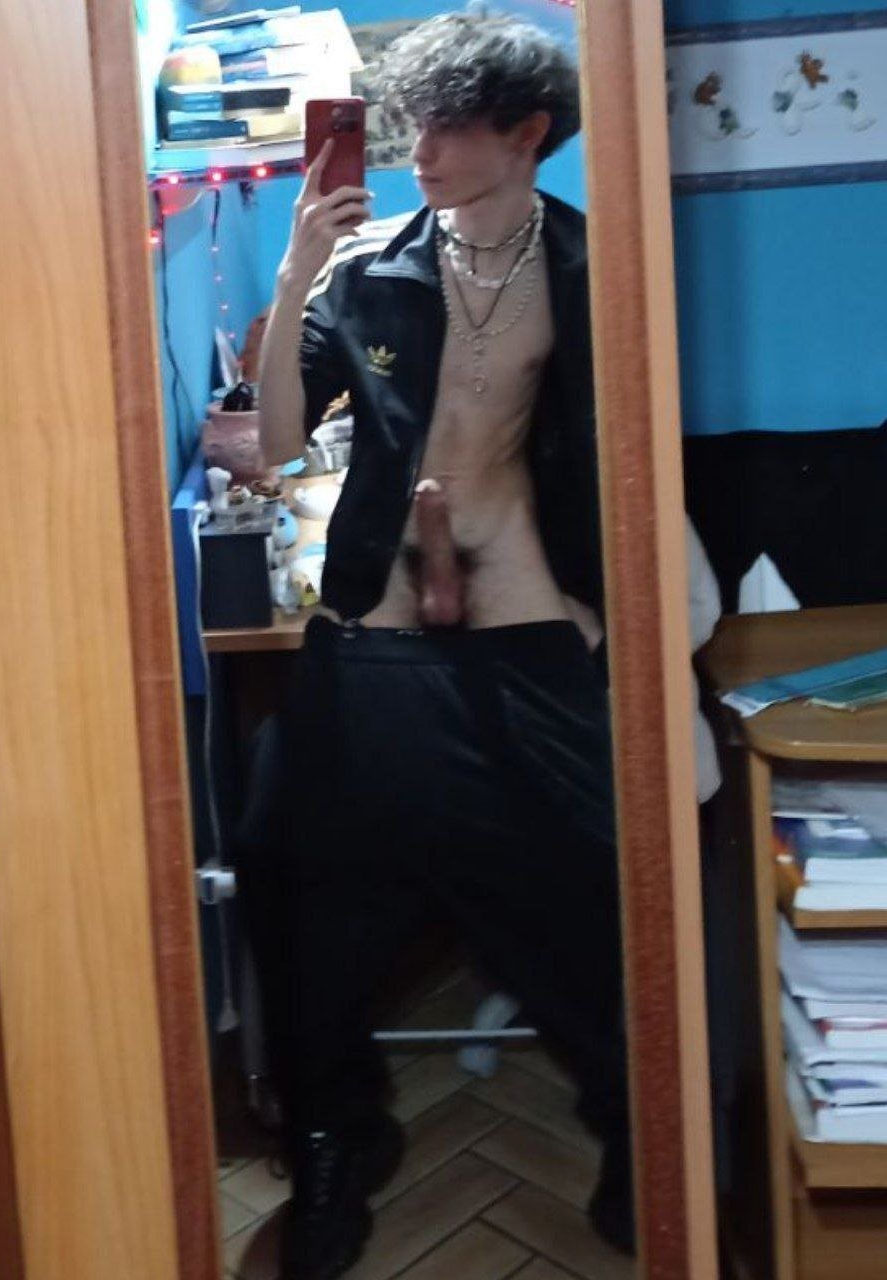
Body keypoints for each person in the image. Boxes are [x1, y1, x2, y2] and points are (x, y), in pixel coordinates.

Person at [256, 12, 631, 1279]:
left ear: (529, 134)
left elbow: (632, 445)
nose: (418, 150)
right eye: (414, 123)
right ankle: (331, 1139)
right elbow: (279, 441)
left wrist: (598, 607)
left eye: (451, 127)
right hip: (377, 632)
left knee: (584, 902)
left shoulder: (593, 266)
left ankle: (636, 1126)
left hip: (525, 628)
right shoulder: (373, 269)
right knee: (302, 894)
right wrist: (297, 273)